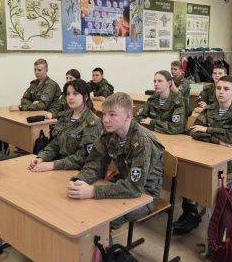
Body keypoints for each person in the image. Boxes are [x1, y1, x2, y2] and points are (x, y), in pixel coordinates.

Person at [34, 79, 103, 262]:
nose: (70, 97)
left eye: (75, 93)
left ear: (86, 96)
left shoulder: (92, 123)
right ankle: (52, 254)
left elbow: (83, 158)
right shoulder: (65, 116)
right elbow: (54, 144)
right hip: (59, 171)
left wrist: (52, 165)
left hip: (82, 175)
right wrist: (42, 157)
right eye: (68, 93)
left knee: (68, 220)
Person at [67, 91, 164, 230]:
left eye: (112, 114)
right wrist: (79, 181)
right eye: (104, 114)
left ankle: (102, 243)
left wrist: (93, 191)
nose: (105, 120)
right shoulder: (108, 134)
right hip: (123, 182)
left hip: (145, 192)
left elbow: (135, 188)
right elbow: (94, 165)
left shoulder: (142, 140)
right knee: (81, 208)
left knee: (100, 220)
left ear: (128, 116)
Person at [173, 76, 232, 235]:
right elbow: (194, 132)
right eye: (218, 88)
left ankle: (207, 212)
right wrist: (219, 140)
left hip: (231, 158)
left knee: (201, 171)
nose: (221, 92)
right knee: (189, 166)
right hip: (207, 152)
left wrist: (208, 130)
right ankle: (190, 211)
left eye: (226, 89)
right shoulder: (209, 110)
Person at [135, 70, 186, 135]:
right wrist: (154, 127)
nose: (156, 84)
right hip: (155, 135)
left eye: (160, 81)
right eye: (154, 81)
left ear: (169, 83)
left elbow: (176, 127)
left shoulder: (179, 101)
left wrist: (152, 122)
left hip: (174, 138)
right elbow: (136, 119)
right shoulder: (152, 99)